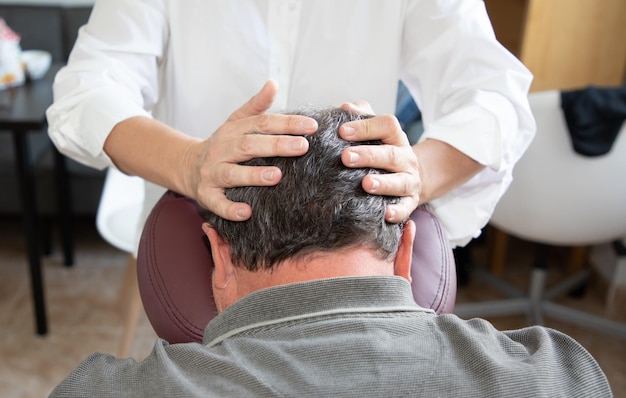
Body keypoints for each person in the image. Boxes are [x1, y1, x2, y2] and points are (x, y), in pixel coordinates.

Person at [40, 107, 613, 398]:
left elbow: (83, 97)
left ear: (217, 257)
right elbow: (502, 98)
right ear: (407, 253)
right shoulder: (558, 385)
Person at [47, 0, 536, 248]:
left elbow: (496, 95)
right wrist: (188, 162)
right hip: (197, 234)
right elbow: (86, 90)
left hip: (351, 253)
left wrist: (420, 172)